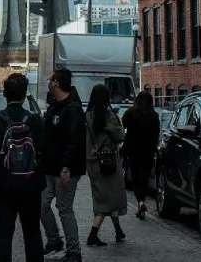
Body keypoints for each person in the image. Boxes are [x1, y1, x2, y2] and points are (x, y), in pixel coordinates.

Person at [0, 73, 45, 262]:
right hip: (30, 187)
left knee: (3, 235)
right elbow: (44, 152)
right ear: (25, 95)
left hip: (3, 187)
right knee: (32, 234)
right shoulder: (35, 121)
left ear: (4, 94)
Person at [41, 69, 86, 262]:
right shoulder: (53, 107)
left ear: (56, 83)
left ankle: (74, 251)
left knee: (64, 207)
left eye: (51, 79)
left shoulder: (73, 109)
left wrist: (67, 167)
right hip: (48, 168)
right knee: (41, 205)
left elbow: (75, 141)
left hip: (65, 169)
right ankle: (54, 240)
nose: (48, 82)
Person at [85, 84, 127, 247]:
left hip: (92, 162)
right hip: (108, 162)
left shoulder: (87, 115)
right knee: (108, 200)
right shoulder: (108, 115)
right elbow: (120, 136)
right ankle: (93, 235)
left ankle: (118, 231)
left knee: (106, 198)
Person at [122, 91, 160, 219]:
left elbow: (124, 125)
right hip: (148, 151)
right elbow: (156, 134)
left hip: (133, 150)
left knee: (136, 177)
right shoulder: (154, 116)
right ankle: (142, 201)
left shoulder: (130, 113)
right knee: (145, 177)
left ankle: (140, 202)